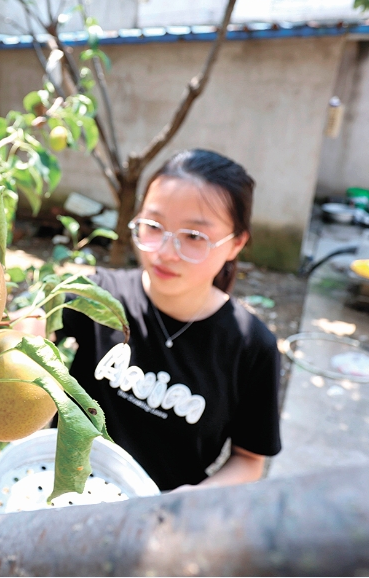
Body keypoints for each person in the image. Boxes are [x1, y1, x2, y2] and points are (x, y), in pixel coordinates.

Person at [52, 149, 282, 492]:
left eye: (194, 236)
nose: (164, 252)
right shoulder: (97, 297)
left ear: (236, 244)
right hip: (59, 496)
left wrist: (186, 503)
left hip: (158, 526)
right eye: (154, 226)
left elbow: (249, 459)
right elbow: (24, 339)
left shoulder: (251, 346)